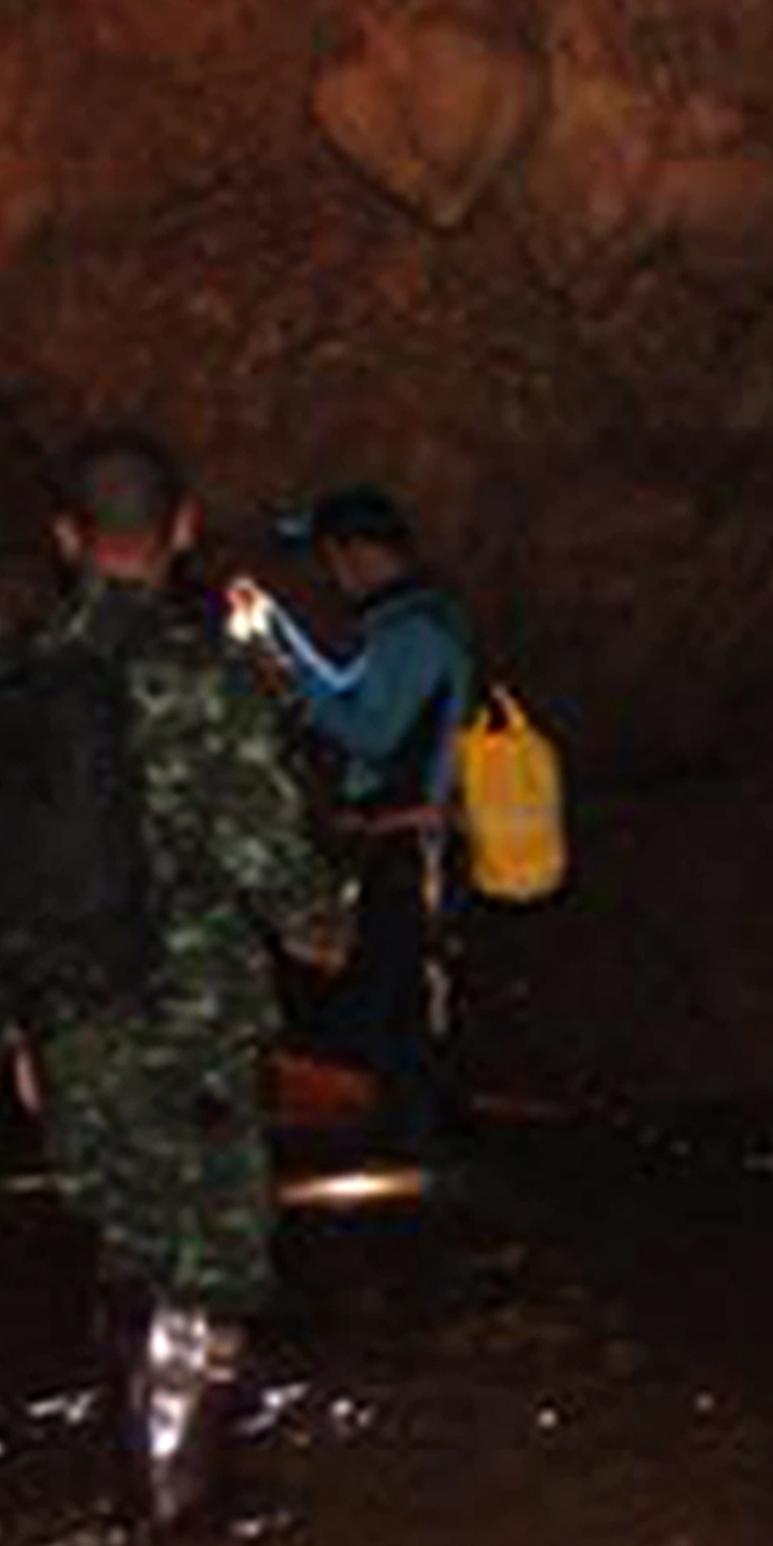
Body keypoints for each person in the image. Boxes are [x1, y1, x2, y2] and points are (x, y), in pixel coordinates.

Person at [0, 431, 346, 1529]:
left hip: (68, 1017)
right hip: (191, 1021)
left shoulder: (19, 681)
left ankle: (132, 1501)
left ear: (66, 540)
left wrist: (17, 1029)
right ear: (182, 530)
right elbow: (265, 854)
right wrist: (325, 928)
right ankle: (185, 1545)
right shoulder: (204, 677)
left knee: (126, 1247)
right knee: (209, 1266)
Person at [237, 485, 473, 1160]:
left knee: (403, 1008)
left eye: (333, 558)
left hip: (413, 847)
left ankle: (420, 1152)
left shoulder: (416, 631)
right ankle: (411, 1142)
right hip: (395, 844)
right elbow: (354, 706)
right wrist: (280, 636)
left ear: (360, 553)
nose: (333, 576)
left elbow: (368, 729)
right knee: (390, 1003)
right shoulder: (402, 627)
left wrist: (282, 645)